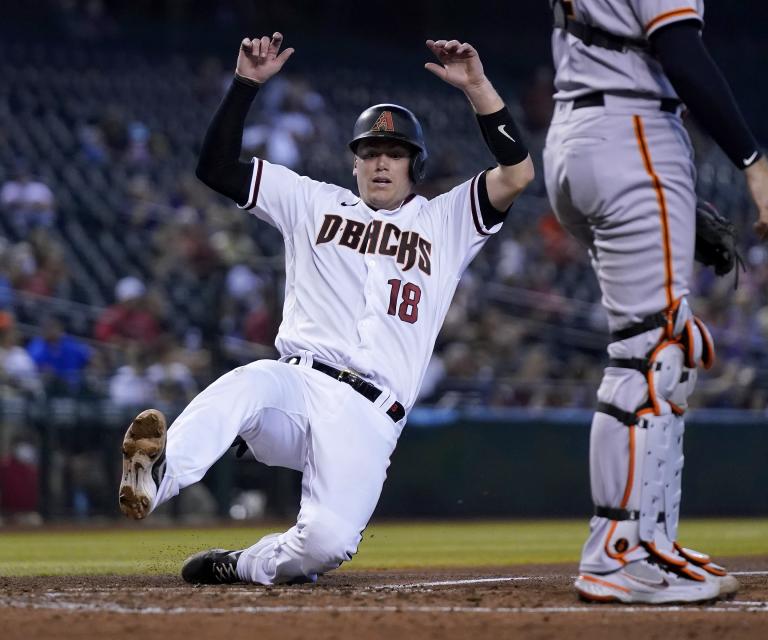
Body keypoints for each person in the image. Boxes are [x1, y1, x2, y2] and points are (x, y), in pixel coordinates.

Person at [117, 32, 534, 586]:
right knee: (249, 381)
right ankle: (159, 474)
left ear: (415, 166)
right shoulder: (312, 201)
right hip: (297, 387)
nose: (382, 163)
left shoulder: (446, 222)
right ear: (354, 164)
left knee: (325, 545)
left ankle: (244, 563)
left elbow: (517, 173)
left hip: (369, 416)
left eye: (395, 154)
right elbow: (215, 168)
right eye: (370, 153)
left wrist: (479, 87)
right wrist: (244, 86)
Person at [544, 1, 768, 604]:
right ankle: (618, 552)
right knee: (648, 354)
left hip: (579, 136)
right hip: (632, 133)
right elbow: (681, 50)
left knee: (668, 342)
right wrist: (753, 165)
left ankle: (651, 539)